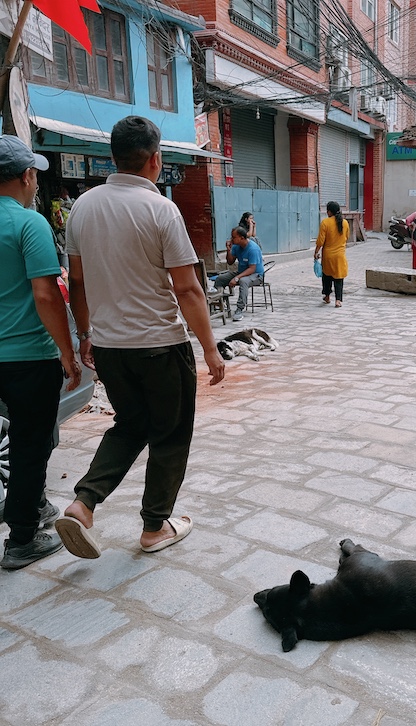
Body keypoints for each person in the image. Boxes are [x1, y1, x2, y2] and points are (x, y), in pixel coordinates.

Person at [56, 116, 225, 560]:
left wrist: (86, 334)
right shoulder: (161, 210)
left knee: (129, 425)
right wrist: (210, 348)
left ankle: (83, 504)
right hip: (160, 346)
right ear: (155, 159)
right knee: (170, 434)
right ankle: (154, 527)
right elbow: (187, 288)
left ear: (113, 157)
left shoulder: (83, 208)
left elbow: (78, 282)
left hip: (110, 347)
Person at [0, 135, 82, 570]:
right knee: (30, 446)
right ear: (26, 176)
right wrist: (67, 354)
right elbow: (47, 296)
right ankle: (22, 540)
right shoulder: (28, 224)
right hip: (27, 357)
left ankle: (31, 507)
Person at [214, 226, 264, 321]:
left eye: (234, 237)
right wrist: (228, 250)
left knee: (243, 281)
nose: (231, 239)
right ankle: (219, 303)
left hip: (256, 275)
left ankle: (240, 309)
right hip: (242, 272)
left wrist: (236, 278)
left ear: (242, 238)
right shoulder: (237, 246)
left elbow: (252, 269)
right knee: (220, 278)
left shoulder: (253, 249)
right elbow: (230, 262)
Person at [314, 201, 349, 307]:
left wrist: (316, 252)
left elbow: (320, 241)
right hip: (340, 255)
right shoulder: (345, 223)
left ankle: (327, 296)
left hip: (328, 255)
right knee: (339, 278)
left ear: (329, 211)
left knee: (327, 277)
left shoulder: (325, 223)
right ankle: (338, 300)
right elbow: (346, 237)